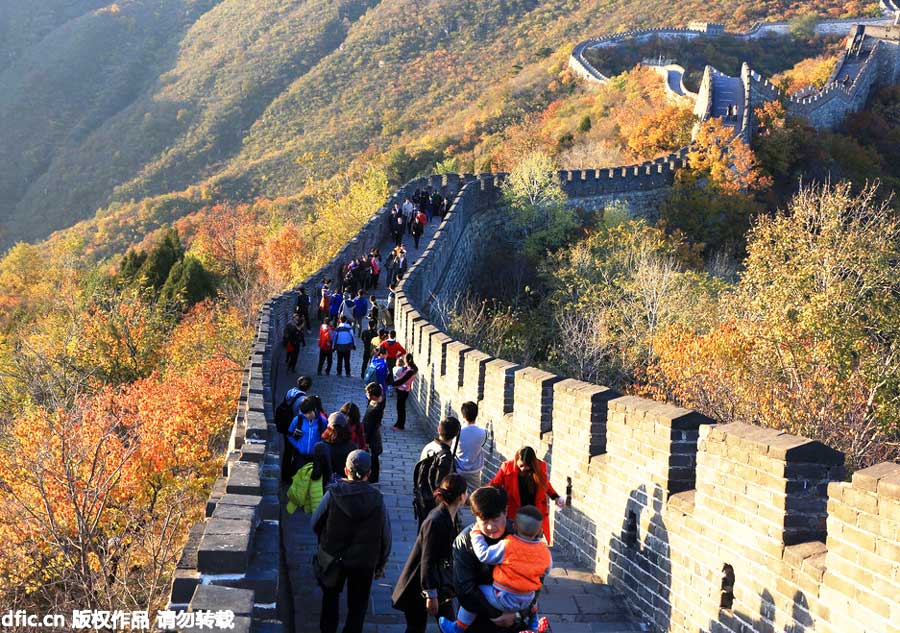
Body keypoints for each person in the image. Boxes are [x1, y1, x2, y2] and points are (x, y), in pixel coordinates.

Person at [312, 450, 392, 633]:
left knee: (330, 599)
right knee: (358, 607)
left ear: (345, 471)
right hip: (364, 562)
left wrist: (323, 540)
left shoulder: (333, 493)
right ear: (369, 473)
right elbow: (386, 535)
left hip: (333, 556)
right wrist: (381, 563)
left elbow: (315, 521)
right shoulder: (378, 499)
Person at [439, 506, 550, 633]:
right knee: (533, 595)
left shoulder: (508, 544)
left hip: (503, 597)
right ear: (539, 531)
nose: (491, 527)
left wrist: (476, 535)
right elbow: (545, 571)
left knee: (474, 593)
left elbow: (484, 554)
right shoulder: (544, 550)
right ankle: (534, 623)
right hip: (526, 599)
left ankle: (458, 627)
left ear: (514, 527)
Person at [392, 474, 469, 633]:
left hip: (440, 583)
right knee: (416, 628)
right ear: (461, 496)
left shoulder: (451, 517)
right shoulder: (435, 521)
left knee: (448, 626)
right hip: (420, 585)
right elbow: (427, 560)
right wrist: (431, 595)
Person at [451, 487, 534, 633]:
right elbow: (465, 588)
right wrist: (497, 615)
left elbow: (535, 578)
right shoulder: (464, 542)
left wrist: (517, 613)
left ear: (506, 512)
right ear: (476, 517)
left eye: (495, 519)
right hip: (478, 620)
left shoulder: (519, 537)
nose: (490, 527)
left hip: (515, 618)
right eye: (484, 520)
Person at [489, 447, 565, 544]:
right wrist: (481, 494)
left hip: (534, 515)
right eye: (521, 465)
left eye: (527, 466)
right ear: (517, 459)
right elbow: (495, 484)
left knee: (533, 545)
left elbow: (545, 484)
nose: (523, 468)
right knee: (513, 543)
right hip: (514, 514)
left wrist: (555, 497)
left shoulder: (540, 466)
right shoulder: (507, 467)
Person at [414, 417, 462, 526]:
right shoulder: (446, 456)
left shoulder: (429, 447)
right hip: (436, 504)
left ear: (439, 429)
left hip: (422, 498)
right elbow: (441, 484)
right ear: (456, 435)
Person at [312, 412, 357, 491]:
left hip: (326, 489)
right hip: (345, 489)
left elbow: (316, 474)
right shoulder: (352, 447)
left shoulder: (319, 447)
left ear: (328, 427)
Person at [281, 376, 313, 484]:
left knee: (287, 451)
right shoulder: (303, 400)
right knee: (295, 452)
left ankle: (284, 473)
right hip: (295, 428)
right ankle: (290, 475)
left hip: (285, 424)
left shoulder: (290, 392)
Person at [286, 397, 329, 477]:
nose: (307, 415)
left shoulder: (322, 421)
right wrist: (297, 445)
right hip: (300, 456)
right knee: (298, 477)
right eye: (305, 413)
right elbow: (289, 435)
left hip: (315, 457)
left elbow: (325, 437)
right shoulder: (297, 420)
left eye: (309, 413)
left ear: (315, 409)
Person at [455, 402, 487, 492]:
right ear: (476, 414)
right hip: (474, 470)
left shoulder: (457, 431)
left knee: (457, 494)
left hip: (458, 468)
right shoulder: (483, 433)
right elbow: (482, 445)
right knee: (475, 495)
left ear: (463, 415)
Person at [362, 383, 385, 484]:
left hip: (372, 435)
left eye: (367, 393)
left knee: (374, 456)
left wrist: (366, 440)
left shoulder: (377, 408)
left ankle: (374, 477)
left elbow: (373, 426)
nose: (366, 394)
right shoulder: (373, 401)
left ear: (373, 395)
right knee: (373, 455)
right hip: (368, 431)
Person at [392, 353, 417, 431]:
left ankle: (400, 425)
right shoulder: (410, 368)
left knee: (401, 408)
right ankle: (398, 423)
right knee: (400, 407)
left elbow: (403, 380)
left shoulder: (411, 371)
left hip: (403, 391)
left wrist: (392, 384)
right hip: (402, 390)